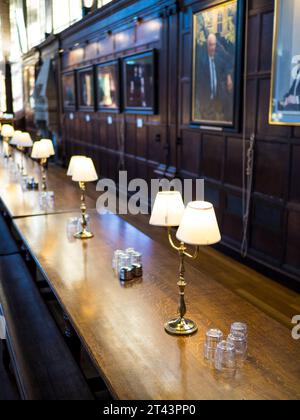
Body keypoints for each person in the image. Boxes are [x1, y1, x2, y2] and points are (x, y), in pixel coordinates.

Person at [195, 33, 234, 123]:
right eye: (210, 45)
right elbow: (199, 85)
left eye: (214, 44)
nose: (213, 47)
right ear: (207, 45)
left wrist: (228, 77)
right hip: (206, 99)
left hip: (218, 96)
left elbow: (228, 63)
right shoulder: (201, 61)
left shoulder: (218, 58)